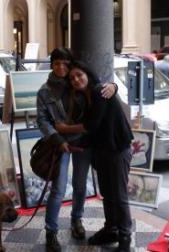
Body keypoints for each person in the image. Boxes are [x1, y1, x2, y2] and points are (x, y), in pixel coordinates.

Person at [36, 48, 117, 252]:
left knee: (80, 185)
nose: (61, 67)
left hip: (83, 141)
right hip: (60, 144)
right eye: (56, 63)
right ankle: (51, 231)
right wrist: (56, 138)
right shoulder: (44, 92)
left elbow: (99, 90)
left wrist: (113, 86)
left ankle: (76, 220)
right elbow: (42, 120)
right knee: (58, 189)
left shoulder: (78, 83)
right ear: (51, 65)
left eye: (65, 63)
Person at [56, 60, 134, 252]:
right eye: (72, 77)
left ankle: (125, 238)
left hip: (118, 150)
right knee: (107, 193)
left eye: (79, 75)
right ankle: (111, 229)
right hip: (104, 150)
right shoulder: (87, 96)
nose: (76, 79)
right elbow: (94, 130)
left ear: (88, 74)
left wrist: (64, 129)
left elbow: (91, 125)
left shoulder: (100, 92)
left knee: (119, 195)